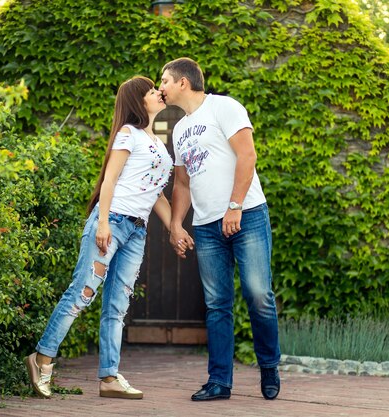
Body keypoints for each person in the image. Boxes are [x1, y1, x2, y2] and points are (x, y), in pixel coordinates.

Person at [25, 76, 173, 400]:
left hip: (137, 230)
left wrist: (176, 226)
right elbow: (110, 180)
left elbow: (156, 193)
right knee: (82, 293)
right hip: (113, 221)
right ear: (138, 101)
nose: (159, 92)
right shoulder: (128, 134)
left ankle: (108, 377)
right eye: (151, 90)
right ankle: (42, 358)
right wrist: (103, 222)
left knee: (117, 306)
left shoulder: (157, 142)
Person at [159, 57, 281, 401]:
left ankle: (269, 366)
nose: (161, 87)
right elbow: (182, 183)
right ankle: (219, 382)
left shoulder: (224, 107)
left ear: (183, 82)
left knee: (259, 295)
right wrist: (176, 225)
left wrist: (234, 206)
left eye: (165, 80)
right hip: (207, 226)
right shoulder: (180, 128)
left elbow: (248, 155)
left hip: (247, 215)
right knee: (216, 305)